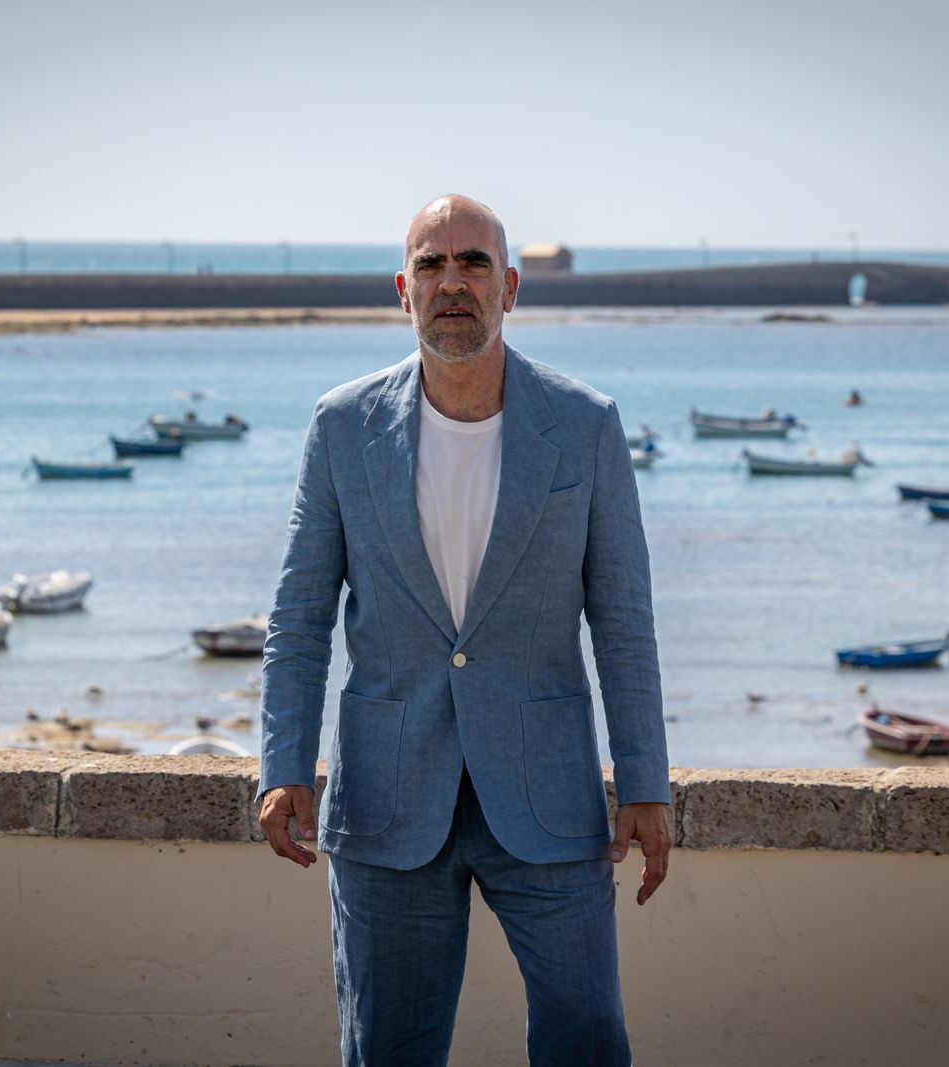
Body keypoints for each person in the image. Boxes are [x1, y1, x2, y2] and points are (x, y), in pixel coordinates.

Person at [258, 194, 670, 1066]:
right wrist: (284, 764)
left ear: (510, 287)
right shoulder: (341, 427)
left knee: (588, 1039)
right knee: (388, 1051)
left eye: (475, 262)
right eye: (434, 265)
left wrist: (645, 780)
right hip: (386, 798)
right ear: (402, 289)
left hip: (549, 796)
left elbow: (624, 621)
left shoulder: (586, 425)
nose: (454, 282)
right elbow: (299, 614)